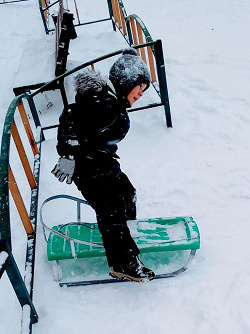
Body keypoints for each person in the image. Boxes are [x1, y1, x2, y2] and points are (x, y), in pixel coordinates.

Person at [52, 48, 155, 282]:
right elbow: (70, 115)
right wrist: (67, 154)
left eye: (143, 90)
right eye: (139, 87)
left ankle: (125, 232)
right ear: (126, 81)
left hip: (101, 163)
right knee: (111, 209)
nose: (141, 94)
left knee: (127, 192)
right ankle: (123, 262)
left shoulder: (111, 101)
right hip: (88, 168)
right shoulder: (103, 102)